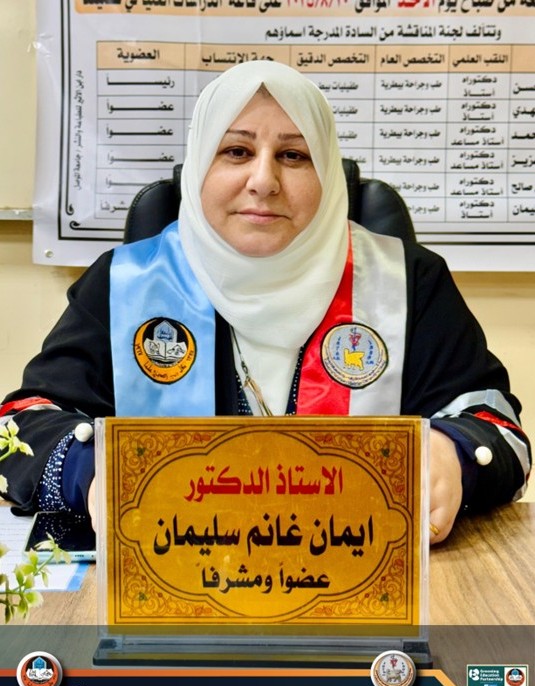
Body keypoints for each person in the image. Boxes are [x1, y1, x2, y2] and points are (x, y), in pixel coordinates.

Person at [0, 61, 530, 546]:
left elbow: (498, 426)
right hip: (171, 580)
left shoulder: (407, 282)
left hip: (360, 585)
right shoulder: (126, 283)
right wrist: (93, 470)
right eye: (237, 151)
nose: (263, 181)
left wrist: (454, 453)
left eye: (293, 156)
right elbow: (20, 425)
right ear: (199, 166)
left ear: (327, 173)